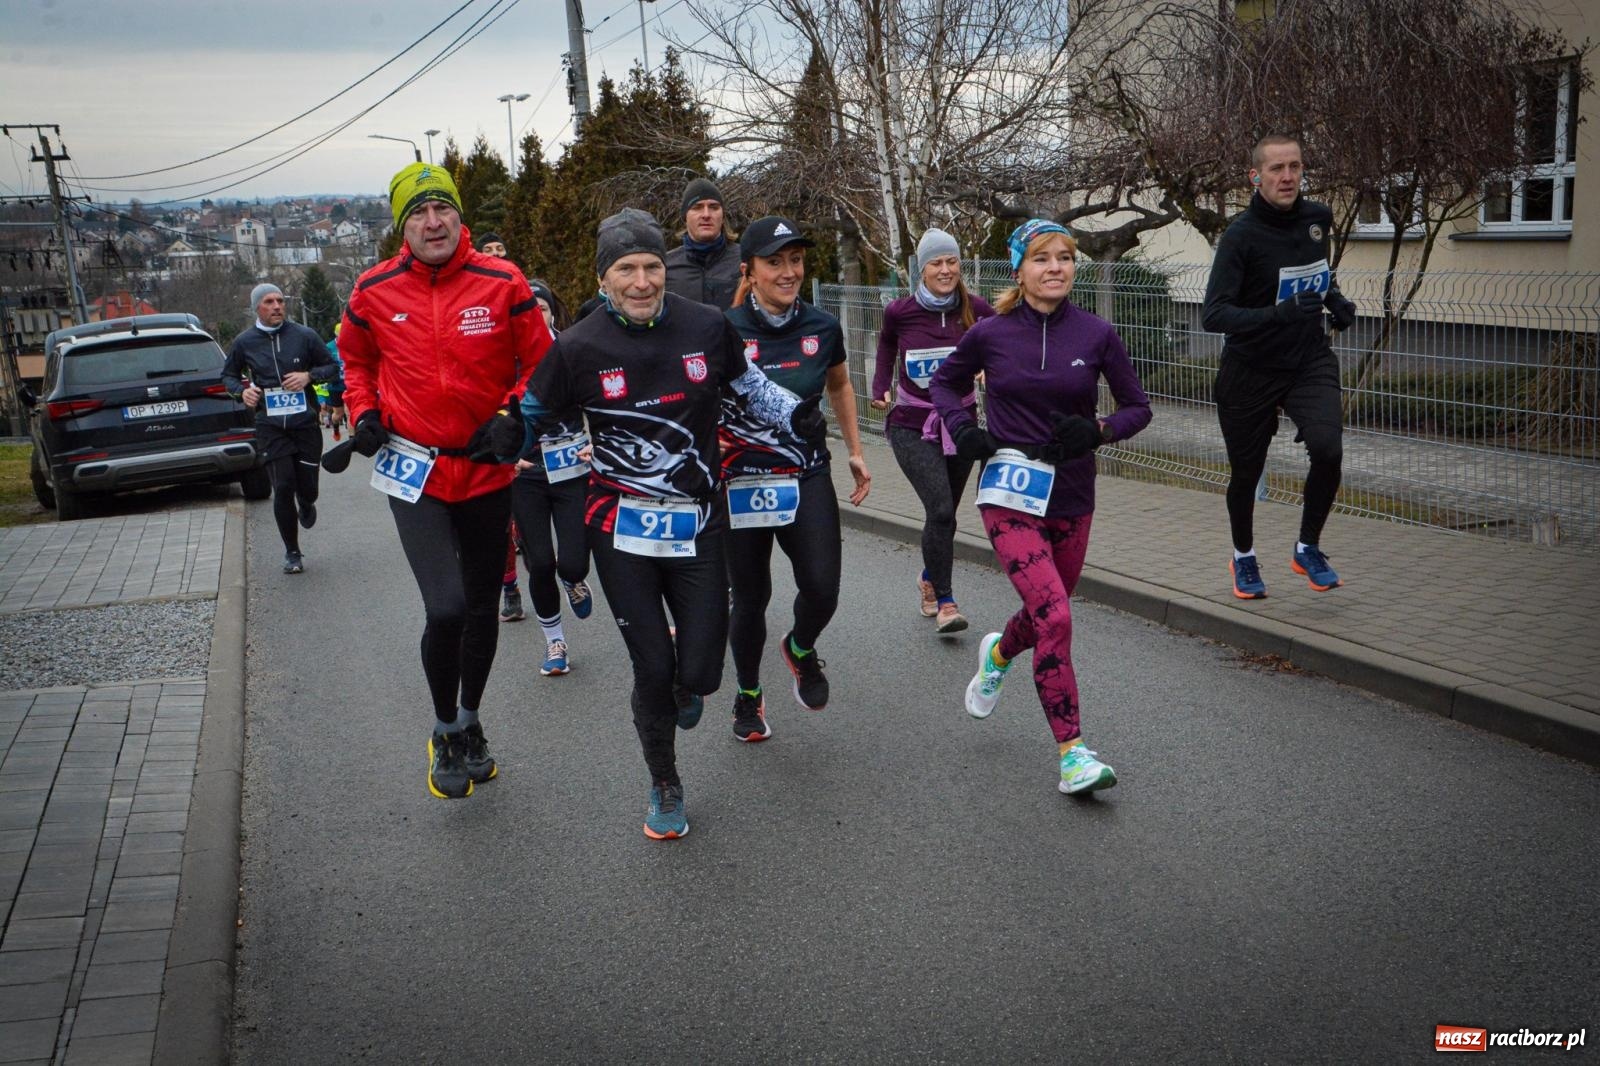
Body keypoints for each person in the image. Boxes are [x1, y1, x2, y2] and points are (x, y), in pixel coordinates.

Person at [521, 207, 824, 839]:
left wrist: (796, 416)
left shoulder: (706, 326)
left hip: (699, 523)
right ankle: (664, 781)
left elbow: (752, 390)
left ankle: (689, 683)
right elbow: (532, 411)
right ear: (604, 279)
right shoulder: (578, 345)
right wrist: (505, 434)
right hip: (619, 526)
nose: (641, 281)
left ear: (665, 270)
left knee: (702, 673)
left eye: (652, 267)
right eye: (625, 269)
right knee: (652, 670)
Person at [337, 162, 551, 800]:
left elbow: (542, 364)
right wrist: (364, 412)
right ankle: (442, 726)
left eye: (443, 210)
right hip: (417, 470)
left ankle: (471, 720)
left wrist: (516, 415)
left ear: (460, 216)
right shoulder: (373, 289)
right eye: (418, 213)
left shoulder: (502, 281)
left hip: (485, 465)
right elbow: (354, 361)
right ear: (403, 224)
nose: (433, 222)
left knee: (482, 607)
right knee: (447, 606)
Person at [931, 219, 1151, 795]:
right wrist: (963, 427)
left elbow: (1138, 408)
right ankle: (1073, 753)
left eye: (1064, 257)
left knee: (1044, 613)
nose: (1055, 267)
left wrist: (1097, 430)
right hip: (1008, 493)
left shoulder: (1097, 333)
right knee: (1056, 616)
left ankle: (999, 653)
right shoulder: (991, 333)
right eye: (1041, 258)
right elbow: (942, 384)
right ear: (1019, 269)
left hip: (1073, 494)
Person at [720, 215, 870, 740]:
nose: (789, 272)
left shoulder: (823, 327)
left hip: (806, 473)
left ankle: (800, 648)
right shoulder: (723, 331)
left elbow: (841, 387)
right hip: (741, 481)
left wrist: (854, 450)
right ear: (750, 271)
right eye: (775, 262)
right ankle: (748, 695)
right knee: (750, 598)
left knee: (823, 588)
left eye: (796, 260)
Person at [1201, 134, 1358, 600]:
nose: (1287, 176)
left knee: (1328, 449)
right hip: (1250, 367)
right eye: (1276, 169)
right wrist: (1278, 314)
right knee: (1246, 474)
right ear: (1256, 177)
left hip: (1308, 358)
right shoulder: (1241, 237)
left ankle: (1307, 547)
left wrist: (1336, 299)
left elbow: (1318, 272)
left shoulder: (1317, 218)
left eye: (1295, 166)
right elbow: (1214, 315)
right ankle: (1244, 557)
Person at [870, 229, 994, 634]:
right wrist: (880, 386)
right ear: (922, 269)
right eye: (936, 263)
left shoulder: (977, 310)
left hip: (960, 423)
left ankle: (928, 576)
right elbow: (887, 345)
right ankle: (945, 601)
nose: (945, 270)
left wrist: (990, 369)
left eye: (951, 262)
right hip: (912, 423)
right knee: (939, 509)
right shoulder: (899, 311)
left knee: (947, 516)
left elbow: (1001, 347)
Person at [222, 283, 341, 575]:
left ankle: (307, 501)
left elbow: (332, 367)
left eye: (280, 300)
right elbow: (228, 375)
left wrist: (308, 376)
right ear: (256, 308)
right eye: (269, 302)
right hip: (270, 424)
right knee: (283, 485)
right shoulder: (244, 342)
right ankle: (292, 551)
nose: (277, 306)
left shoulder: (304, 335)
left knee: (307, 486)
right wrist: (242, 392)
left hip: (304, 422)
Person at [508, 278, 594, 676]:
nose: (535, 316)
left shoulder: (574, 349)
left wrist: (595, 442)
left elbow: (604, 401)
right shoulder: (502, 356)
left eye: (541, 308)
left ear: (550, 311)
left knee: (573, 561)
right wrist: (504, 456)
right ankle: (554, 640)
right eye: (528, 309)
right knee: (540, 562)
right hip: (526, 474)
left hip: (573, 468)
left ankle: (573, 579)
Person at [663, 177, 741, 309]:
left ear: (722, 216)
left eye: (714, 207)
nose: (706, 214)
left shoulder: (745, 260)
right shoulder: (665, 266)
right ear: (685, 217)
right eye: (697, 207)